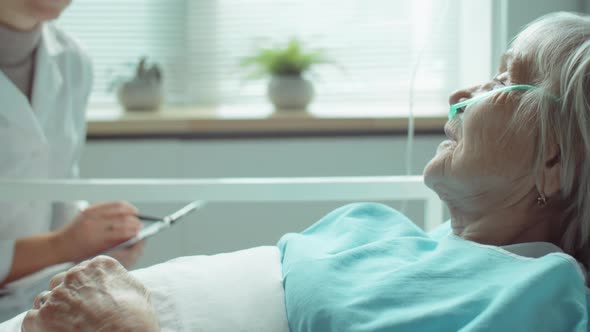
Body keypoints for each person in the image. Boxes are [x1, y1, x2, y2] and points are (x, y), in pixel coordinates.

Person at [7, 10, 590, 331]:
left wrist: (124, 326)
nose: (463, 93)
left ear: (556, 158)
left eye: (502, 80)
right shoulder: (413, 247)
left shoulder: (538, 298)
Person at [0, 0, 144, 320]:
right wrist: (62, 245)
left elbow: (58, 185)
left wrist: (96, 239)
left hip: (36, 302)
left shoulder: (73, 59)